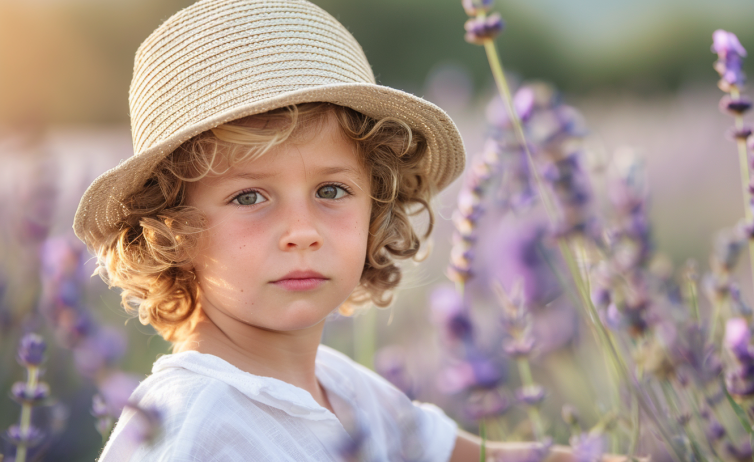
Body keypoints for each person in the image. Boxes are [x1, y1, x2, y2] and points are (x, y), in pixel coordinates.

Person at [74, 0, 625, 460]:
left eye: (331, 191)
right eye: (249, 196)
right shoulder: (189, 427)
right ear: (173, 230)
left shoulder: (344, 389)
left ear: (375, 205)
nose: (303, 231)